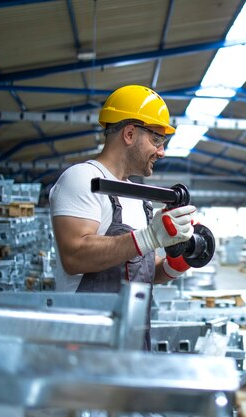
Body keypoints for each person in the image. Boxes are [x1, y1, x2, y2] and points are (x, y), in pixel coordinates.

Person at [49, 85, 196, 349]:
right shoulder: (83, 178)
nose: (161, 152)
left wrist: (182, 259)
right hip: (86, 346)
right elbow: (74, 255)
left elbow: (141, 270)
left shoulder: (137, 197)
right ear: (129, 133)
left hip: (131, 342)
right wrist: (149, 236)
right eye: (157, 141)